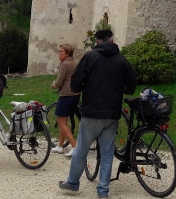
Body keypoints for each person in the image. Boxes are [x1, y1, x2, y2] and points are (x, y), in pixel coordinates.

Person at [59, 29, 137, 199]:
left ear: (97, 41)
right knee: (108, 153)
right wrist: (119, 90)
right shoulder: (120, 59)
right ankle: (103, 191)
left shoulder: (90, 57)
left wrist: (79, 88)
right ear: (112, 40)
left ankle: (72, 183)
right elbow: (132, 84)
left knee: (81, 150)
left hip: (92, 111)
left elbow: (76, 82)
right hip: (112, 112)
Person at [51, 43, 80, 157]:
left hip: (66, 95)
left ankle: (75, 146)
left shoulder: (65, 65)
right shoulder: (74, 63)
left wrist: (53, 85)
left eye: (61, 51)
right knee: (64, 121)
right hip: (75, 94)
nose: (59, 53)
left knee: (61, 122)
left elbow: (59, 82)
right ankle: (60, 145)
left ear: (67, 53)